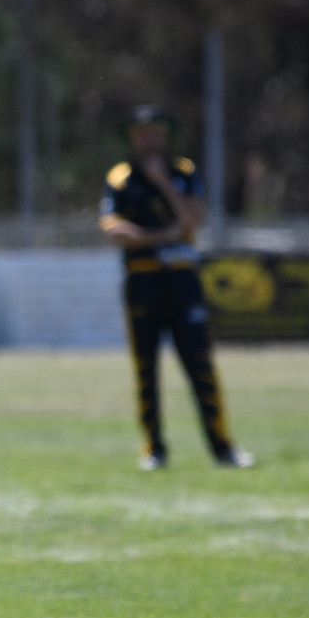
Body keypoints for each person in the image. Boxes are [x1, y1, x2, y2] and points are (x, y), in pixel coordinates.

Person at [98, 105, 254, 471]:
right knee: (145, 369)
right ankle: (154, 449)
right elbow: (114, 231)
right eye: (142, 133)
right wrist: (163, 235)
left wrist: (163, 185)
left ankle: (223, 447)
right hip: (143, 281)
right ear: (132, 139)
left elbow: (194, 219)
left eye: (156, 133)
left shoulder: (183, 172)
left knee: (200, 365)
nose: (150, 140)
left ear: (165, 137)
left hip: (183, 279)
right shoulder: (120, 178)